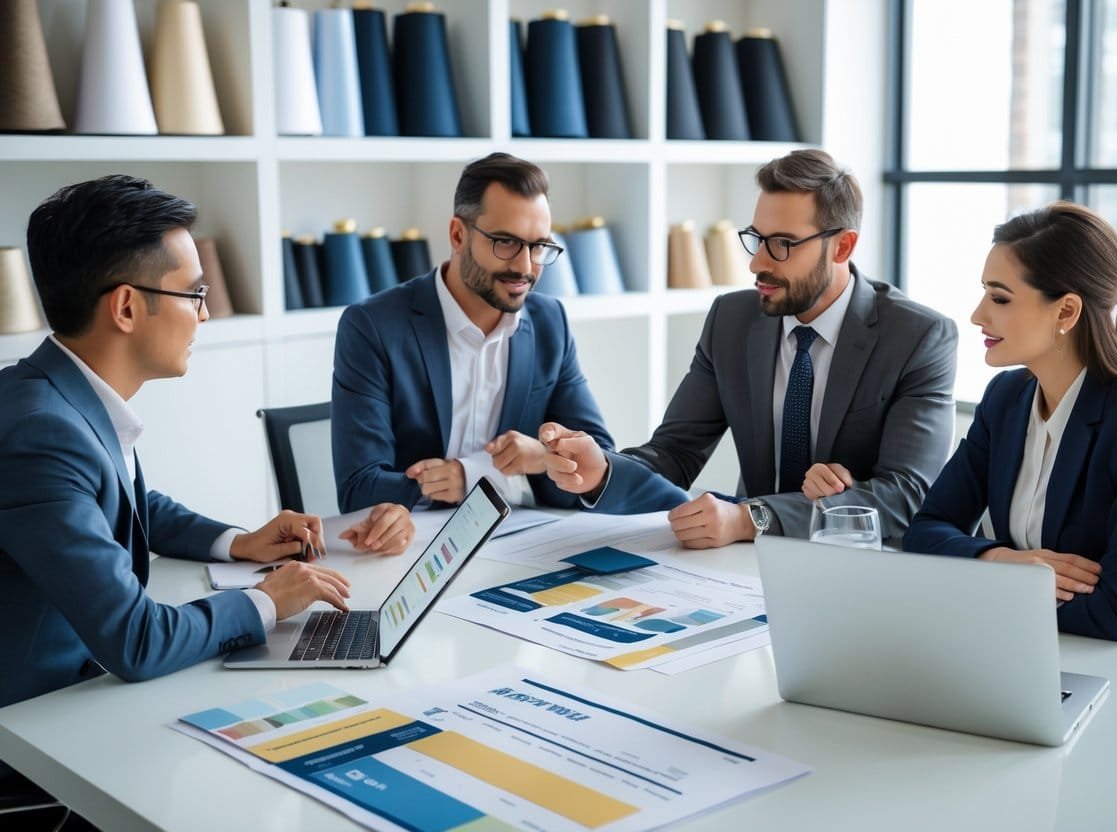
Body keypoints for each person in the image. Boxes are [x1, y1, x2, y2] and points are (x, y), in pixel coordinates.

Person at [0, 175, 415, 711]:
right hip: (36, 730)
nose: (205, 313)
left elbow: (123, 500)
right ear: (125, 308)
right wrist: (264, 601)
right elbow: (137, 640)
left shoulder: (45, 393)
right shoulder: (43, 434)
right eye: (194, 293)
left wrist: (238, 543)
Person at [543, 149, 958, 546]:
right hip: (748, 564)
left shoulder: (918, 337)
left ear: (843, 246)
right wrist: (603, 470)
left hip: (863, 564)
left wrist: (752, 518)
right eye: (757, 239)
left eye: (782, 244)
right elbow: (674, 454)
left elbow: (907, 495)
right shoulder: (731, 320)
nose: (758, 262)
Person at [903, 201, 1117, 658]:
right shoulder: (1005, 399)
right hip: (1038, 649)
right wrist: (1000, 561)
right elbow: (926, 530)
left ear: (1066, 312)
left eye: (1000, 298)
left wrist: (989, 591)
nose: (977, 315)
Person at [331, 152, 687, 513]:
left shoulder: (550, 323)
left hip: (519, 545)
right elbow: (359, 490)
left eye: (538, 246)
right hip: (412, 551)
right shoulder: (373, 326)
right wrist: (490, 476)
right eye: (505, 242)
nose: (524, 266)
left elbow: (594, 462)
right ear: (458, 234)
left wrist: (533, 459)